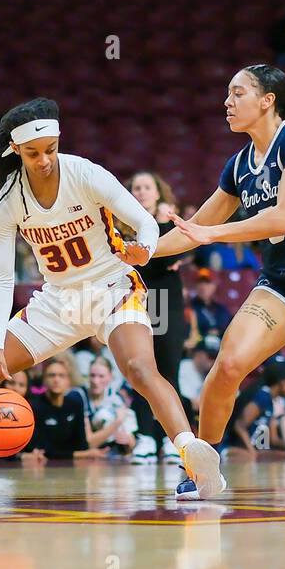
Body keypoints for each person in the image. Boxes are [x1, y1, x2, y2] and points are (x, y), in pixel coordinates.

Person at [0, 97, 222, 503]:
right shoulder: (7, 200)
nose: (45, 159)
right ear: (16, 150)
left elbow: (142, 220)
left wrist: (144, 247)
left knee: (139, 367)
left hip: (111, 287)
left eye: (50, 149)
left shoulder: (84, 172)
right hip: (56, 300)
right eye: (33, 153)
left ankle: (192, 456)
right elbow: (1, 278)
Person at [157, 64, 285, 491]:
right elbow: (196, 225)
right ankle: (203, 466)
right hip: (280, 283)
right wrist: (139, 254)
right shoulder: (239, 165)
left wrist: (210, 234)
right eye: (227, 95)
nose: (227, 102)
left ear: (267, 100)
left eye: (237, 94)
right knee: (228, 365)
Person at [126, 169, 190, 462]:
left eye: (146, 187)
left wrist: (164, 224)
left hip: (165, 301)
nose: (141, 192)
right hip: (135, 300)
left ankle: (171, 439)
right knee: (140, 370)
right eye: (136, 187)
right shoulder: (123, 222)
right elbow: (147, 264)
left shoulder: (167, 223)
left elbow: (170, 256)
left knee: (167, 371)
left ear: (158, 192)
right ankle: (145, 437)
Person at [24, 356, 96, 462]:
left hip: (74, 467)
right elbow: (42, 450)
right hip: (44, 467)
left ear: (68, 381)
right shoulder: (34, 406)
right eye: (51, 375)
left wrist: (81, 454)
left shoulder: (76, 404)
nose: (56, 380)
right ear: (44, 380)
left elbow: (82, 445)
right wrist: (80, 454)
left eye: (61, 376)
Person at [226, 361, 285, 455]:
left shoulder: (271, 400)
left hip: (257, 450)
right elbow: (239, 425)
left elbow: (274, 440)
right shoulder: (263, 397)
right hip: (235, 448)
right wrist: (252, 452)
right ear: (283, 383)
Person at [83, 355, 138, 456]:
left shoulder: (117, 398)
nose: (96, 381)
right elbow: (89, 443)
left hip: (114, 454)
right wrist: (117, 422)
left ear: (110, 377)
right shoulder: (81, 397)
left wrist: (129, 440)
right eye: (92, 375)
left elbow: (132, 440)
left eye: (101, 376)